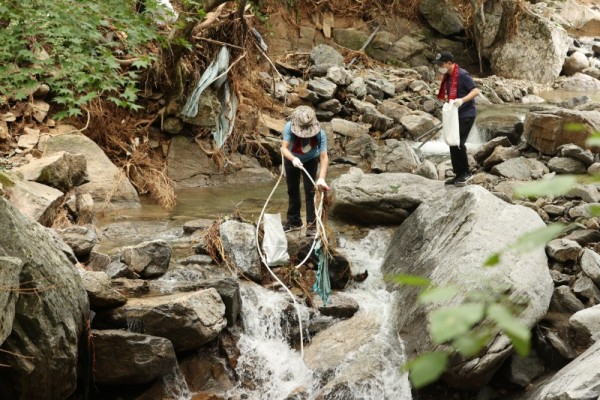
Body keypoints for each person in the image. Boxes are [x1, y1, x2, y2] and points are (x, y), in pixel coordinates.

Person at [280, 106, 329, 236]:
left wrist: (322, 178)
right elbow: (284, 148)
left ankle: (311, 225)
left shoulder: (320, 133)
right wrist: (293, 159)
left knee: (310, 191)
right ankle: (294, 221)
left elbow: (323, 157)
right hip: (292, 159)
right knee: (292, 190)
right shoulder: (289, 127)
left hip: (311, 160)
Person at [434, 51, 481, 186]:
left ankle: (466, 173)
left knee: (459, 143)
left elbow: (475, 91)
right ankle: (458, 174)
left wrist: (462, 100)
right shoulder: (448, 77)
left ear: (449, 63)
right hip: (455, 115)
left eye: (441, 64)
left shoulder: (462, 75)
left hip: (467, 113)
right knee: (453, 143)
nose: (439, 67)